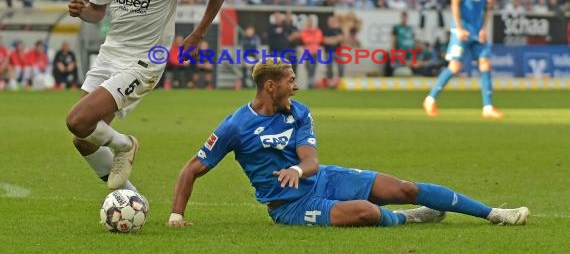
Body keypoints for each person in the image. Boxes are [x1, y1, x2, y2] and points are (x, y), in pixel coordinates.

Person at [167, 59, 529, 227]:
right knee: (367, 212)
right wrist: (176, 216)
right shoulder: (235, 126)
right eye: (291, 81)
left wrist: (296, 168)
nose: (297, 86)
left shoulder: (298, 112)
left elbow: (309, 160)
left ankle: (494, 213)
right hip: (289, 207)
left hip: (322, 178)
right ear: (270, 86)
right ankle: (408, 220)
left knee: (403, 187)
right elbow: (192, 169)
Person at [65, 0, 228, 192]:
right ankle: (131, 199)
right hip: (111, 53)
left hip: (145, 62)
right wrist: (82, 11)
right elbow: (97, 12)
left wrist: (197, 35)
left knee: (77, 121)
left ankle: (125, 145)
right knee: (83, 137)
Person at [423, 0, 503, 119]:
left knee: (485, 65)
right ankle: (430, 99)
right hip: (462, 29)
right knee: (455, 67)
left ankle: (487, 107)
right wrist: (458, 27)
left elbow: (487, 9)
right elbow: (454, 4)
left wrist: (484, 29)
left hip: (477, 31)